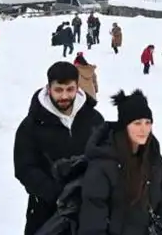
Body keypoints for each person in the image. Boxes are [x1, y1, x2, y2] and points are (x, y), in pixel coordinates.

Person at [14, 61, 104, 235]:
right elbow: (24, 168)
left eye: (70, 89)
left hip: (88, 210)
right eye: (58, 90)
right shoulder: (31, 125)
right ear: (49, 89)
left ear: (77, 87)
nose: (64, 96)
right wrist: (57, 193)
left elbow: (105, 157)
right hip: (46, 211)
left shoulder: (94, 119)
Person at [77, 90, 162, 235]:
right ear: (125, 126)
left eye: (148, 123)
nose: (144, 129)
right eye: (137, 123)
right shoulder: (103, 163)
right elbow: (93, 218)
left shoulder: (154, 159)